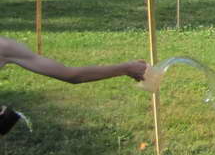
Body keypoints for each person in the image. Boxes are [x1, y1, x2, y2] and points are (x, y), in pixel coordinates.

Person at [0, 37, 148, 135]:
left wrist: (125, 68)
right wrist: (126, 68)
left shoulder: (5, 47)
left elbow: (72, 75)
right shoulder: (5, 47)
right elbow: (72, 75)